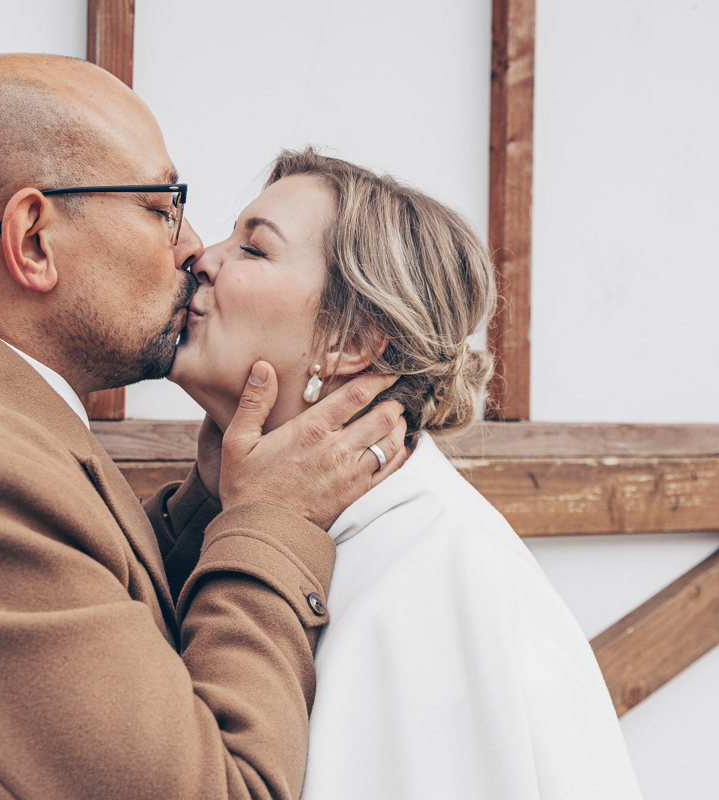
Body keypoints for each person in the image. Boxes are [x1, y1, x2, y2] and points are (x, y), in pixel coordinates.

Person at [0, 56, 408, 799]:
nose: (194, 247)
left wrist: (211, 508)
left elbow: (80, 607)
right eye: (162, 206)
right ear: (34, 238)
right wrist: (270, 525)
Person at [169, 148, 643, 800]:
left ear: (354, 340)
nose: (203, 258)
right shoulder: (266, 518)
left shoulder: (432, 581)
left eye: (253, 249)